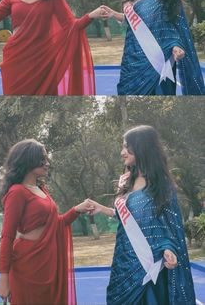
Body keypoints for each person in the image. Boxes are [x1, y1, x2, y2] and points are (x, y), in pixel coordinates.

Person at [88, 125, 196, 305]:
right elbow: (132, 219)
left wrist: (170, 249)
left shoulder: (162, 186)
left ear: (142, 148)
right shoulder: (127, 181)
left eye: (126, 147)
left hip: (150, 264)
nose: (122, 152)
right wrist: (103, 209)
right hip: (123, 261)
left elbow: (170, 227)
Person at [100, 0, 205, 95]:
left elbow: (172, 27)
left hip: (158, 60)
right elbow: (132, 22)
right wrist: (114, 14)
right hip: (131, 59)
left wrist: (176, 46)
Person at [0, 139, 94, 305]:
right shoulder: (17, 192)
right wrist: (3, 280)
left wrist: (77, 209)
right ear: (28, 159)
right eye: (43, 159)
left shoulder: (42, 190)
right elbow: (7, 236)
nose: (47, 163)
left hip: (49, 263)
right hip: (28, 265)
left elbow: (56, 224)